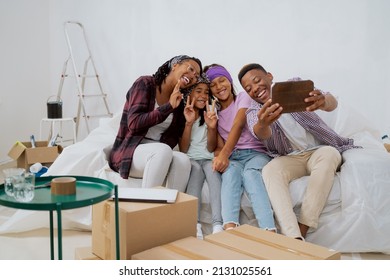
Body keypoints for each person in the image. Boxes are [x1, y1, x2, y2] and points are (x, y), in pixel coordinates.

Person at [238, 63, 360, 239]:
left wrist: (324, 101)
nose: (255, 89)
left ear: (270, 76)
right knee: (270, 170)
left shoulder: (295, 86)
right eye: (248, 88)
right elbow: (260, 132)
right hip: (290, 158)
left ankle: (304, 225)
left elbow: (331, 102)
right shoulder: (254, 111)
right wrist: (263, 123)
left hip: (318, 151)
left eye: (257, 81)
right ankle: (293, 237)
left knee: (330, 154)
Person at [108, 55, 202, 192]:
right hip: (131, 150)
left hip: (158, 154)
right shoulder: (145, 84)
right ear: (175, 65)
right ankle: (148, 208)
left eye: (196, 76)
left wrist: (188, 123)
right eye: (191, 69)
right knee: (163, 150)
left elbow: (183, 148)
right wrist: (168, 106)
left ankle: (172, 211)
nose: (193, 76)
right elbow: (134, 124)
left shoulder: (180, 102)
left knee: (183, 160)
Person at [204, 64, 276, 232]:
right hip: (235, 157)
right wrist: (212, 127)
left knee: (250, 175)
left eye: (222, 81)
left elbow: (238, 124)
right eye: (213, 85)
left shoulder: (243, 97)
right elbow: (215, 146)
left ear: (229, 81)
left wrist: (224, 154)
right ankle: (229, 228)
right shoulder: (215, 113)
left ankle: (269, 230)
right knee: (230, 174)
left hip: (256, 153)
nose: (219, 87)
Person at [179, 74, 223, 239]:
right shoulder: (183, 116)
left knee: (214, 174)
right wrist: (189, 123)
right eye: (198, 91)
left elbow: (211, 147)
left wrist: (212, 127)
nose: (203, 96)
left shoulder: (210, 115)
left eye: (206, 92)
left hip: (208, 157)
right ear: (189, 94)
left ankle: (218, 224)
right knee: (196, 170)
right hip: (191, 159)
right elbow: (183, 148)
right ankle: (195, 224)